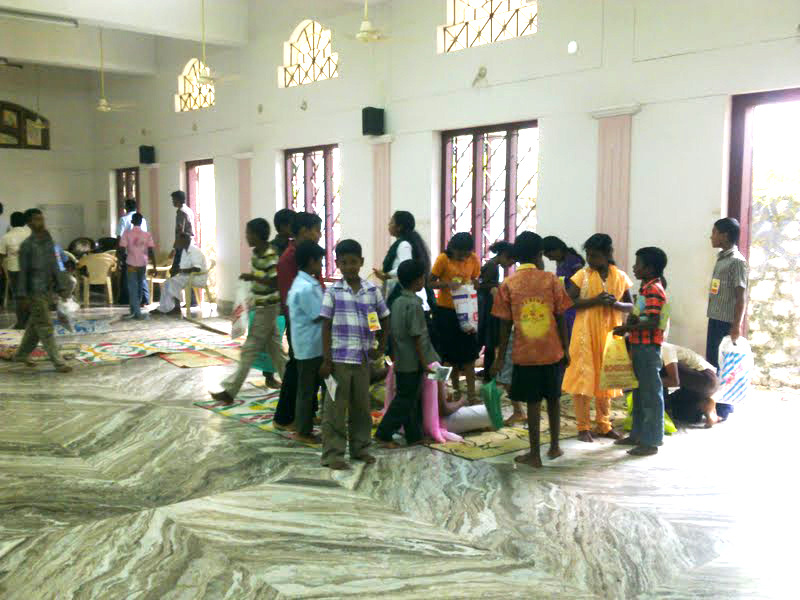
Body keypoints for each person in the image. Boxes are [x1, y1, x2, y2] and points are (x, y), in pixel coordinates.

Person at [491, 232, 572, 468]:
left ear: (516, 256)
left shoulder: (509, 284)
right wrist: (566, 349)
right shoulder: (551, 280)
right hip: (552, 351)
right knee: (554, 398)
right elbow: (561, 317)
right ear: (539, 254)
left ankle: (534, 454)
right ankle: (555, 446)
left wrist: (499, 357)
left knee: (533, 402)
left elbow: (504, 325)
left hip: (525, 354)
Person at [319, 239, 390, 470]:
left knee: (361, 407)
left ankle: (361, 449)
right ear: (338, 263)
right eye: (344, 262)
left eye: (353, 262)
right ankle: (333, 454)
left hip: (362, 361)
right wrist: (326, 359)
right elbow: (325, 326)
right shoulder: (333, 292)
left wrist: (381, 346)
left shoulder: (372, 291)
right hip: (338, 360)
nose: (349, 267)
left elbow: (384, 318)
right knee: (335, 409)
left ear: (361, 262)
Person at [561, 234, 633, 443]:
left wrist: (616, 305)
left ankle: (604, 424)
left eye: (595, 256)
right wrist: (595, 301)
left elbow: (630, 305)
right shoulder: (582, 275)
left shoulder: (620, 276)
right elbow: (568, 301)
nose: (590, 260)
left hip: (610, 334)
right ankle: (583, 427)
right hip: (585, 335)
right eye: (588, 255)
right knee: (583, 379)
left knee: (607, 379)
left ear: (608, 254)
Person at [211, 219, 286, 405]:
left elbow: (275, 282)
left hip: (268, 308)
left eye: (249, 233)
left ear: (258, 235)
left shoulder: (270, 255)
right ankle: (293, 385)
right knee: (276, 351)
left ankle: (230, 391)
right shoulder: (256, 254)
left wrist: (253, 277)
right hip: (262, 305)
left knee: (249, 349)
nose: (246, 237)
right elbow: (260, 282)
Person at [376, 259, 439, 447]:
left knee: (410, 398)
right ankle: (383, 433)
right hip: (413, 360)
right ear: (418, 280)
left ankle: (414, 435)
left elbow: (394, 333)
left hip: (401, 358)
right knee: (404, 400)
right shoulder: (414, 305)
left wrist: (395, 357)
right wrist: (424, 363)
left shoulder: (396, 302)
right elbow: (417, 337)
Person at [613, 247, 669, 456]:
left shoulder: (654, 289)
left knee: (650, 395)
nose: (634, 267)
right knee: (638, 392)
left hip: (648, 348)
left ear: (650, 268)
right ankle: (637, 434)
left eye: (638, 264)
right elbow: (642, 316)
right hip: (639, 346)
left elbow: (654, 322)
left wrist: (628, 328)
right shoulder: (646, 288)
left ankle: (651, 441)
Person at [274, 212, 324, 429]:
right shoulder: (289, 258)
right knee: (297, 369)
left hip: (312, 323)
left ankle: (307, 414)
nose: (319, 235)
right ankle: (284, 417)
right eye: (316, 230)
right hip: (300, 323)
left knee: (310, 372)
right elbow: (290, 296)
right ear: (303, 231)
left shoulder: (307, 254)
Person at [13, 208, 72, 373]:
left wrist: (62, 286)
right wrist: (21, 295)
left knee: (35, 324)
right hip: (34, 291)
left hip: (47, 289)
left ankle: (22, 354)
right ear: (29, 223)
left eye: (42, 218)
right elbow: (23, 272)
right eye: (37, 219)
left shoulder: (49, 242)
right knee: (45, 326)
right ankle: (58, 362)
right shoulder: (27, 246)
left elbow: (56, 266)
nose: (41, 222)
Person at [430, 232, 481, 404]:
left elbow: (475, 279)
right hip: (446, 312)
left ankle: (471, 395)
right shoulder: (443, 259)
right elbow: (429, 282)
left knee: (469, 355)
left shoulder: (473, 259)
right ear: (452, 248)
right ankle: (448, 393)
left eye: (466, 254)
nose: (462, 257)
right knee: (446, 355)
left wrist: (475, 284)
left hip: (467, 311)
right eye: (459, 253)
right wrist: (447, 284)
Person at [706, 217, 748, 422]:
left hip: (726, 322)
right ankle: (711, 405)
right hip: (715, 318)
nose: (711, 236)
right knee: (714, 362)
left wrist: (736, 325)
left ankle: (723, 409)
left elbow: (741, 296)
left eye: (714, 232)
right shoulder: (722, 258)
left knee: (725, 365)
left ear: (725, 235)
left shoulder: (737, 261)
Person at [285, 240, 326, 444]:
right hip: (311, 346)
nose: (322, 265)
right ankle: (303, 431)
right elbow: (319, 315)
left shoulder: (303, 282)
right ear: (311, 261)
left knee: (308, 388)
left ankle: (306, 423)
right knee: (307, 390)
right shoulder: (306, 288)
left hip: (307, 344)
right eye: (320, 261)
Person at [373, 211, 433, 310]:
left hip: (401, 291)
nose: (389, 225)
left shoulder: (403, 245)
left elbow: (405, 268)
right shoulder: (406, 242)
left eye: (391, 222)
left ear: (399, 227)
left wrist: (387, 275)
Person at [477, 241, 515, 380]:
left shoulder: (492, 265)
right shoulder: (492, 267)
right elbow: (483, 286)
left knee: (490, 343)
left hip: (487, 307)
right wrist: (498, 287)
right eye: (511, 261)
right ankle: (488, 374)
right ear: (504, 255)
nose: (510, 265)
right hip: (488, 308)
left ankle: (487, 371)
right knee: (490, 342)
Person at [660, 343, 719, 428]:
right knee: (681, 413)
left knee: (662, 368)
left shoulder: (664, 348)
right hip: (695, 389)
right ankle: (705, 406)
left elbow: (674, 381)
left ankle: (708, 403)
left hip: (707, 379)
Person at [542, 236, 585, 340]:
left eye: (550, 255)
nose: (550, 259)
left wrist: (563, 298)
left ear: (557, 249)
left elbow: (578, 284)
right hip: (564, 304)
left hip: (573, 305)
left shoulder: (574, 261)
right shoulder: (560, 261)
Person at [156, 233, 207, 315]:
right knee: (167, 283)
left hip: (197, 277)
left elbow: (197, 269)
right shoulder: (184, 251)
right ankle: (163, 308)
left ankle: (176, 308)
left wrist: (181, 271)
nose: (176, 243)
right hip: (187, 277)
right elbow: (183, 266)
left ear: (184, 241)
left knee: (172, 283)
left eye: (178, 241)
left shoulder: (194, 251)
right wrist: (179, 270)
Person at [118, 213, 155, 320]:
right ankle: (135, 310)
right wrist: (155, 266)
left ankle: (136, 312)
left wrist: (119, 262)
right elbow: (151, 251)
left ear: (132, 221)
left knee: (132, 287)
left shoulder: (126, 234)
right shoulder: (147, 235)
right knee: (139, 286)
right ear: (141, 222)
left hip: (131, 263)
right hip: (142, 264)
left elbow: (121, 250)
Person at [0, 211, 30, 327]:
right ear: (25, 222)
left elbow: (1, 255)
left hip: (15, 269)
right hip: (32, 269)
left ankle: (21, 322)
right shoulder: (31, 234)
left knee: (19, 297)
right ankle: (31, 322)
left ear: (11, 222)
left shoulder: (6, 237)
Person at [170, 190, 195, 276]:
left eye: (173, 199)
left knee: (174, 272)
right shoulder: (189, 210)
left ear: (178, 200)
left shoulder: (181, 212)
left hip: (183, 245)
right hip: (190, 243)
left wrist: (174, 249)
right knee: (185, 272)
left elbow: (180, 232)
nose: (172, 202)